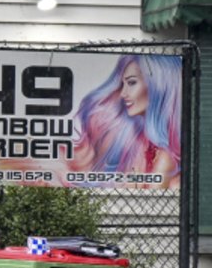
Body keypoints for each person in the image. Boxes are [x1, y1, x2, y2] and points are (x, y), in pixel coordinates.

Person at [70, 54, 181, 188]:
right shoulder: (137, 143)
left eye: (132, 82)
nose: (123, 93)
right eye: (123, 84)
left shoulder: (165, 157)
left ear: (159, 86)